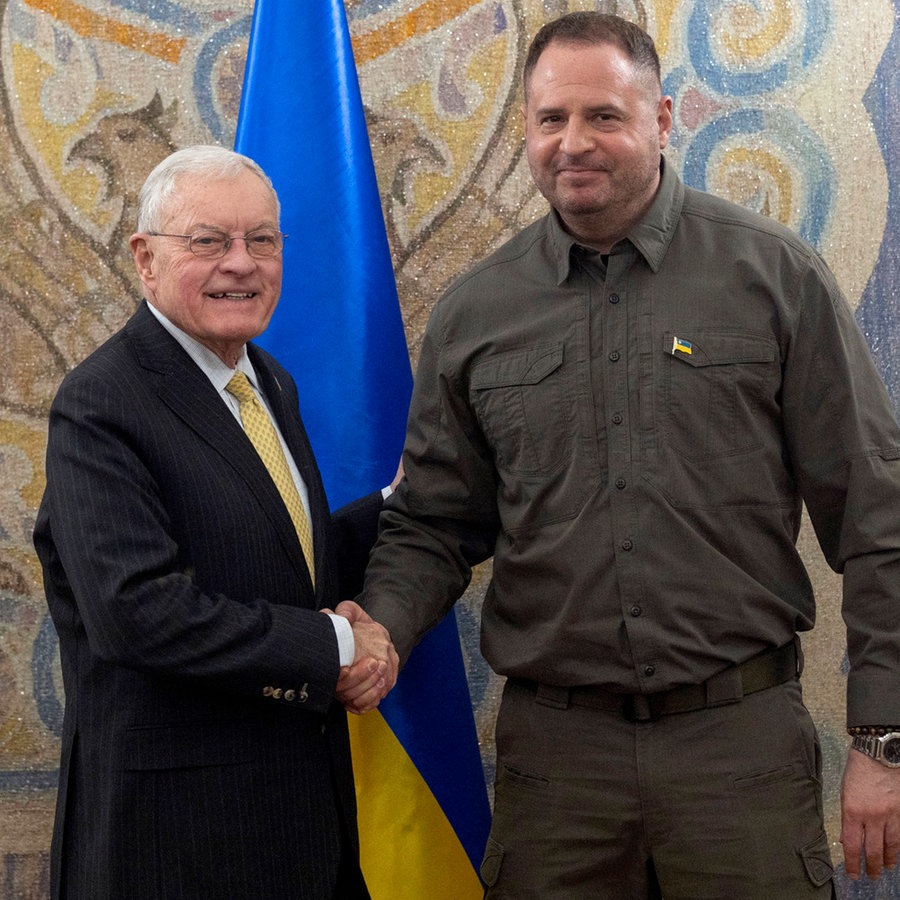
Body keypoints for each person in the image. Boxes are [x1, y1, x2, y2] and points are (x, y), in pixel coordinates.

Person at [348, 11, 900, 898]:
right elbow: (435, 524)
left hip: (739, 754)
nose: (574, 142)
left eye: (604, 115)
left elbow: (879, 514)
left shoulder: (774, 278)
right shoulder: (475, 314)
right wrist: (381, 624)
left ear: (662, 118)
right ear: (526, 130)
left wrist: (885, 739)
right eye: (550, 119)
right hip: (557, 768)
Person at [33, 145, 398, 900]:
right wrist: (335, 644)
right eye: (209, 241)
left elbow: (280, 553)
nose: (242, 263)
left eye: (262, 240)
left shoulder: (267, 381)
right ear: (146, 258)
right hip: (176, 844)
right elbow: (136, 612)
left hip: (301, 825)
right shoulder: (102, 403)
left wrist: (403, 507)